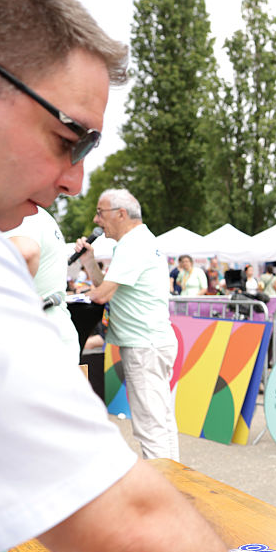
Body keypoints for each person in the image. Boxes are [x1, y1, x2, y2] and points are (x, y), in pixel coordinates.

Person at [0, 0, 276, 552]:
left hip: (142, 338)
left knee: (158, 433)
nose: (76, 183)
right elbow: (134, 527)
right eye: (69, 138)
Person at [77, 189, 180, 461]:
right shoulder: (141, 241)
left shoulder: (133, 244)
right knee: (163, 422)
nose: (97, 220)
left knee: (151, 428)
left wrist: (66, 298)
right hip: (153, 342)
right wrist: (89, 261)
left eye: (101, 213)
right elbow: (110, 288)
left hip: (144, 346)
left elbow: (101, 294)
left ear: (121, 214)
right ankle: (174, 487)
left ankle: (163, 495)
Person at [5, 207, 81, 365]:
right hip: (52, 330)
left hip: (35, 335)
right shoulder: (40, 215)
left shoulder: (19, 212)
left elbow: (26, 253)